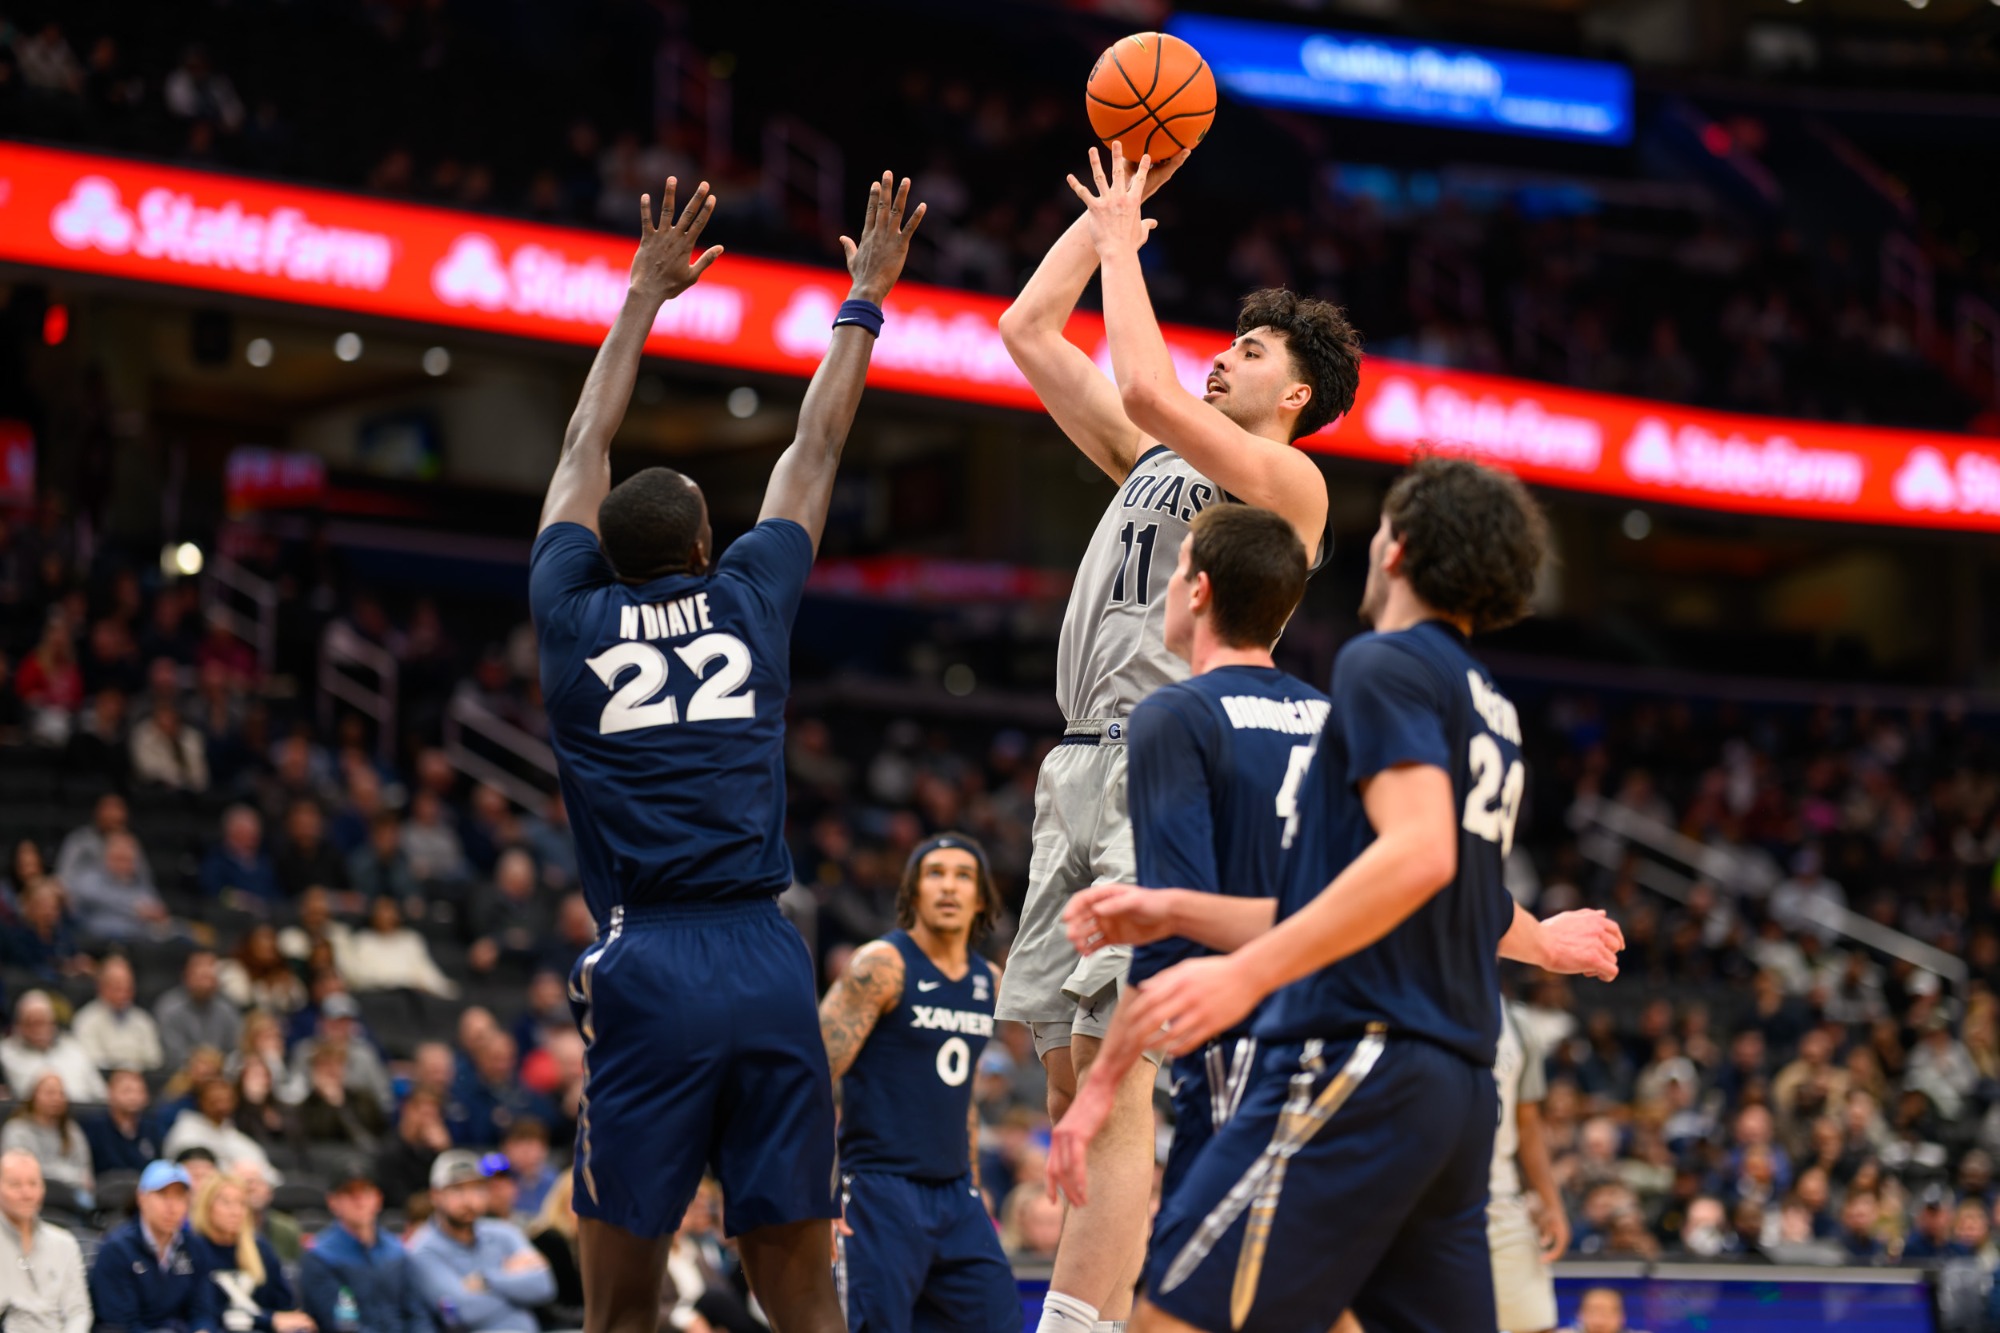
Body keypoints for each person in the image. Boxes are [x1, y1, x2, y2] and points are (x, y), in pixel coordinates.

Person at [1051, 457, 1622, 1332]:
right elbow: (1418, 887)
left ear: (1398, 549)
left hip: (1362, 1055)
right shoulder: (1488, 701)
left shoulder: (1382, 663)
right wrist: (1541, 939)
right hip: (1461, 1084)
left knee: (1168, 1320)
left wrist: (1245, 972)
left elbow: (1420, 856)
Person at [528, 168, 922, 1333]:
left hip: (649, 959)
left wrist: (641, 297)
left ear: (599, 552)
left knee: (621, 1308)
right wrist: (863, 296)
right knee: (800, 1294)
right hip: (764, 957)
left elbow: (583, 440)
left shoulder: (568, 611)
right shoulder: (748, 598)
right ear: (709, 545)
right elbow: (815, 442)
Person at [994, 141, 1356, 1333]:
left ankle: (1076, 1324)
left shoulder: (1287, 488)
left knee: (1118, 1071)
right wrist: (1111, 209)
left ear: (1293, 396)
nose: (1224, 354)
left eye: (1251, 351)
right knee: (1067, 1075)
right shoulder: (1151, 459)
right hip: (1074, 758)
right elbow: (1026, 330)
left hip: (1164, 757)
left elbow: (1148, 387)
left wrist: (1122, 250)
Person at [817, 834, 1015, 1332]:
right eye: (935, 874)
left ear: (981, 898)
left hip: (955, 1192)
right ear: (912, 892)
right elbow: (811, 1077)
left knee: (1000, 1320)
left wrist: (974, 1182)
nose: (948, 887)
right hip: (878, 1189)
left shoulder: (988, 981)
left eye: (963, 876)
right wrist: (817, 1188)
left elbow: (962, 1096)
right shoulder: (883, 965)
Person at [406, 1150, 554, 1332]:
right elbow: (463, 1312)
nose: (469, 1200)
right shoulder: (423, 1249)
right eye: (457, 1190)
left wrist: (486, 1280)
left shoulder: (504, 1232)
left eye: (476, 1189)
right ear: (435, 1195)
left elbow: (544, 1286)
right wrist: (515, 1287)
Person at [1489, 998, 1568, 1333]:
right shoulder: (1412, 1004)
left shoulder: (1516, 1022)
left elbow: (1528, 1123)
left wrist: (1551, 1203)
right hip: (1423, 1202)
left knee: (1537, 1324)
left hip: (1499, 1198)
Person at [90, 1160, 218, 1333]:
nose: (172, 1207)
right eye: (163, 1195)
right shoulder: (116, 1250)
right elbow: (118, 1323)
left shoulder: (195, 1247)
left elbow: (203, 1311)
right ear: (141, 1198)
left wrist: (202, 1329)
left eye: (180, 1197)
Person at [299, 1173, 434, 1333]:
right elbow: (342, 1325)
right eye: (350, 1193)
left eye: (366, 1192)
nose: (360, 1201)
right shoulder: (320, 1257)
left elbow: (418, 1314)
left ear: (379, 1199)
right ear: (333, 1202)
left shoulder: (396, 1250)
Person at [187, 1170, 314, 1332]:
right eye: (226, 1203)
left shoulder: (260, 1247)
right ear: (207, 1206)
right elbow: (204, 1313)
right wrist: (267, 1320)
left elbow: (284, 1307)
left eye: (241, 1204)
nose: (235, 1212)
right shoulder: (194, 1248)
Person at [0, 1148, 94, 1332]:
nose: (26, 1194)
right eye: (15, 1185)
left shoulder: (64, 1243)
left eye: (33, 1184)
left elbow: (78, 1312)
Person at [333, 895, 458, 998]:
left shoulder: (411, 939)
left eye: (389, 910)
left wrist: (446, 988)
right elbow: (357, 977)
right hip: (375, 998)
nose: (385, 915)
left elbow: (427, 972)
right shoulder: (363, 940)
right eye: (381, 910)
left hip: (409, 997)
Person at [1, 1074, 94, 1205]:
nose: (56, 1098)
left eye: (61, 1094)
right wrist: (67, 1176)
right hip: (31, 1195)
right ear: (34, 1096)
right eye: (50, 1093)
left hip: (72, 1197)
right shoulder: (17, 1130)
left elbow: (85, 1173)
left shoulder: (71, 1130)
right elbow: (19, 1170)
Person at [65, 830, 174, 943]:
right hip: (99, 941)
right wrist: (135, 908)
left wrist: (153, 912)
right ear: (105, 858)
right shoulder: (89, 878)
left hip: (138, 941)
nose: (123, 865)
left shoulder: (140, 883)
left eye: (128, 860)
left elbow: (156, 909)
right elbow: (92, 895)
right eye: (118, 859)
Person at [163, 1077, 280, 1182]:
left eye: (226, 1099)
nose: (221, 1105)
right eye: (215, 1100)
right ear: (201, 1101)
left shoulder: (232, 1133)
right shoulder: (186, 1133)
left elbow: (268, 1172)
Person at [1, 991, 108, 1102]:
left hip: (83, 1109)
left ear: (54, 1024)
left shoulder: (75, 1049)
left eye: (45, 1022)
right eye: (33, 1023)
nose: (39, 1030)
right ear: (19, 1026)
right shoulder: (5, 1054)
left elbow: (100, 1093)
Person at [73, 954, 167, 1071]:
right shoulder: (86, 1020)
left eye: (128, 988)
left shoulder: (143, 1020)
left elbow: (155, 1059)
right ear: (101, 987)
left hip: (141, 1079)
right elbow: (93, 1062)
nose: (123, 994)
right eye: (117, 988)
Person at [157, 950, 245, 1072]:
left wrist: (218, 1066)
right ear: (186, 975)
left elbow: (236, 1049)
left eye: (209, 976)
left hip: (221, 1075)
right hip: (182, 1074)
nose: (205, 982)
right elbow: (172, 1055)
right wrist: (201, 1066)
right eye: (201, 975)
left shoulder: (227, 1008)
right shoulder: (170, 1008)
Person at [376, 1088, 450, 1214]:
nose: (427, 1122)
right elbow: (403, 1203)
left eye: (433, 1116)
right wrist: (441, 1199)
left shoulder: (435, 1152)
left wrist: (445, 1152)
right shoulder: (389, 1153)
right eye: (423, 1114)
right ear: (406, 1110)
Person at [85, 1066, 167, 1176]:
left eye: (139, 1091)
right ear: (110, 1093)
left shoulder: (152, 1129)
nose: (133, 1097)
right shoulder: (95, 1129)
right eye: (127, 1091)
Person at [528, 1173, 585, 1326]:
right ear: (561, 1203)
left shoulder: (586, 1244)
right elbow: (547, 1308)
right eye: (580, 1201)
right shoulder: (547, 1241)